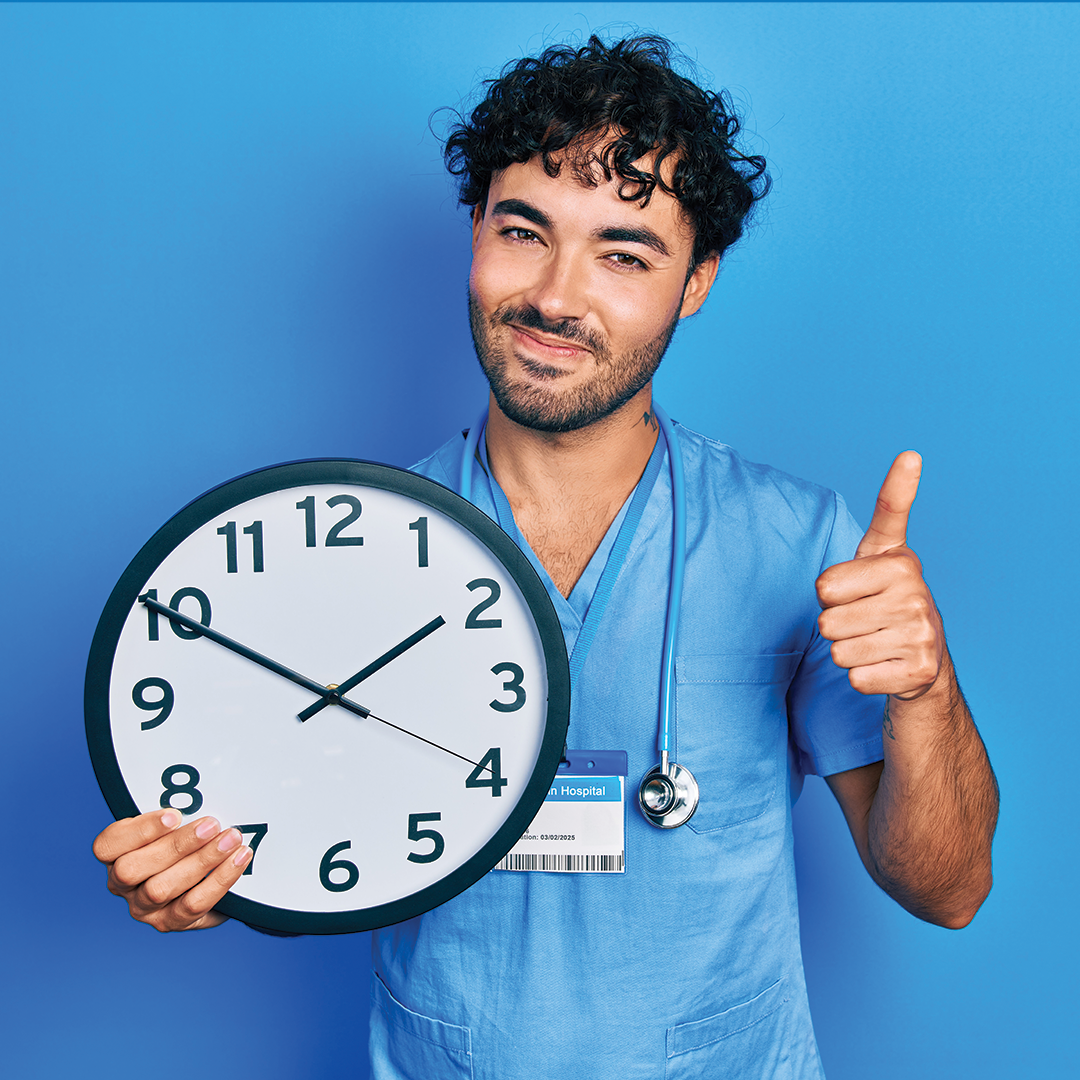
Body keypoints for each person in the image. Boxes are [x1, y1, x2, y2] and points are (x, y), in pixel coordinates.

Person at [93, 34, 998, 1079]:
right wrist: (201, 876)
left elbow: (950, 889)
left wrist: (925, 689)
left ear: (696, 280)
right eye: (524, 231)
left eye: (625, 254)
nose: (558, 298)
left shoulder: (799, 543)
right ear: (475, 228)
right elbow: (291, 827)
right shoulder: (347, 544)